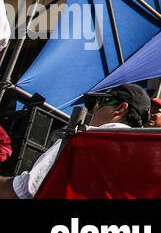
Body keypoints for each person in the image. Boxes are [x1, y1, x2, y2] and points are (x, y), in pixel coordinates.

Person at [0, 83, 150, 199]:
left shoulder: (83, 139)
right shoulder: (146, 160)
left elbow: (25, 190)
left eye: (99, 103)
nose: (92, 111)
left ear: (121, 108)